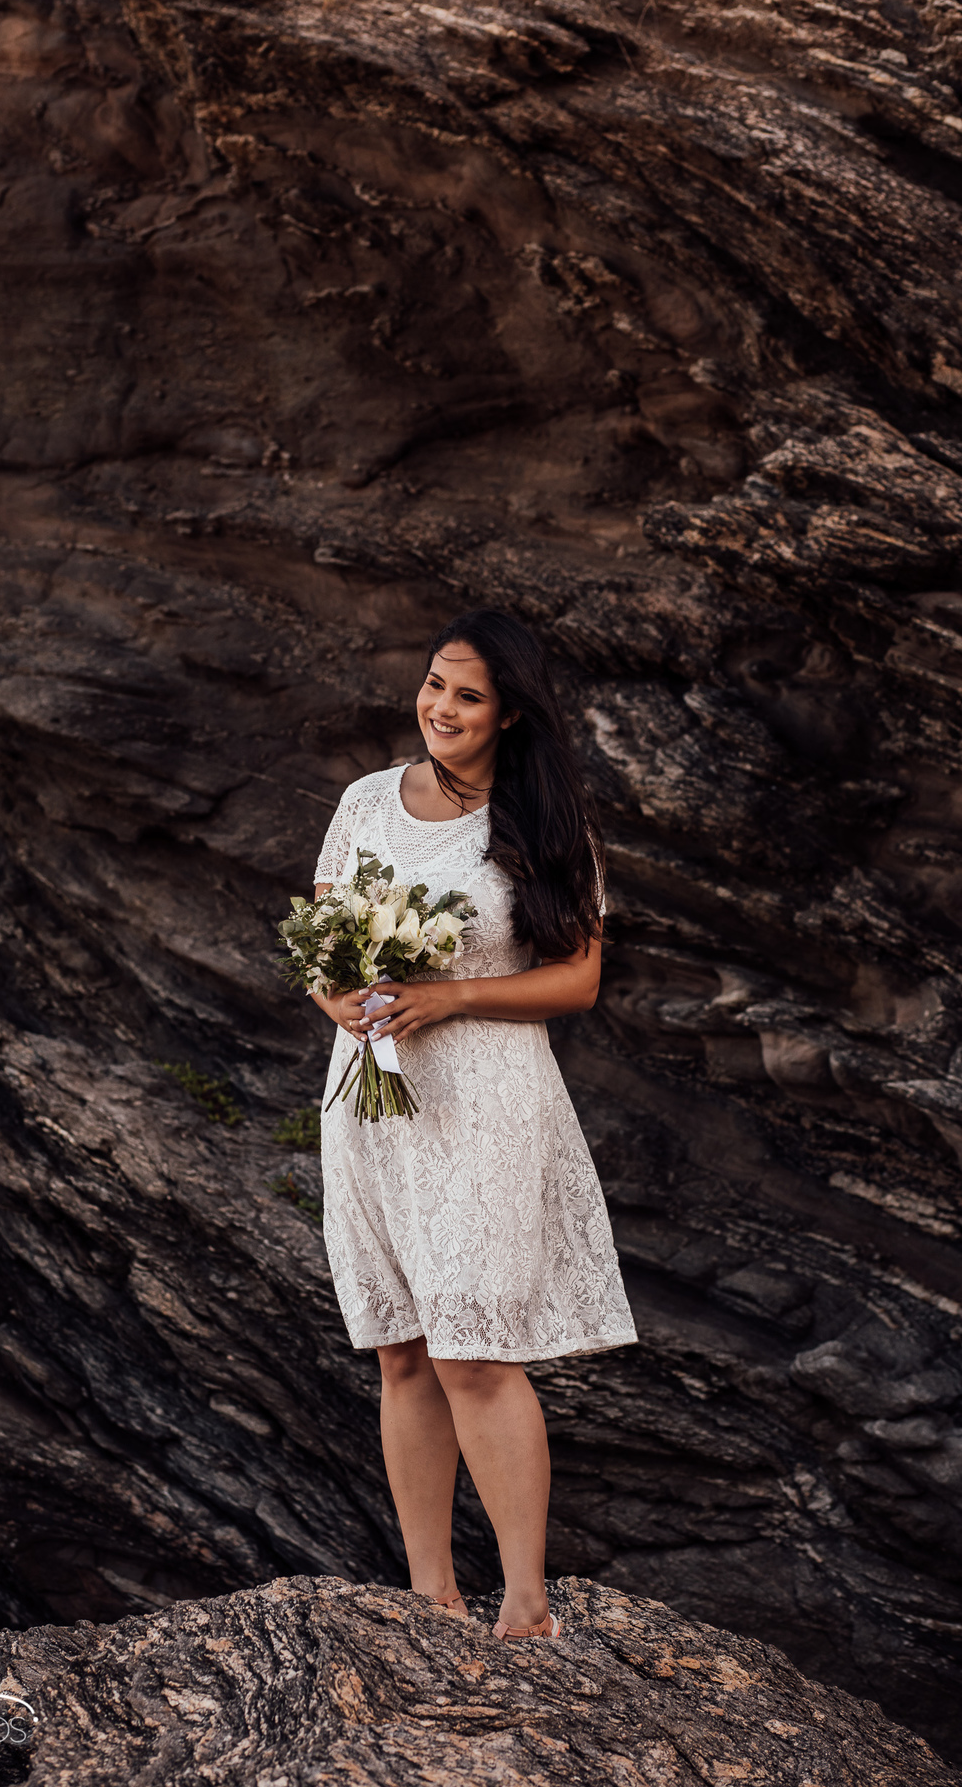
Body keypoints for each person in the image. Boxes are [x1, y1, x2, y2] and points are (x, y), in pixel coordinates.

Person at [311, 607, 637, 1642]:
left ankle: (528, 1605)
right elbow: (321, 946)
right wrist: (350, 1006)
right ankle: (431, 1596)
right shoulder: (368, 800)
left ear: (508, 715)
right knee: (402, 1348)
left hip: (489, 1098)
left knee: (475, 1355)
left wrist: (447, 999)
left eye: (468, 695)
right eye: (435, 685)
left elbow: (580, 978)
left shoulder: (544, 823)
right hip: (371, 1092)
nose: (441, 708)